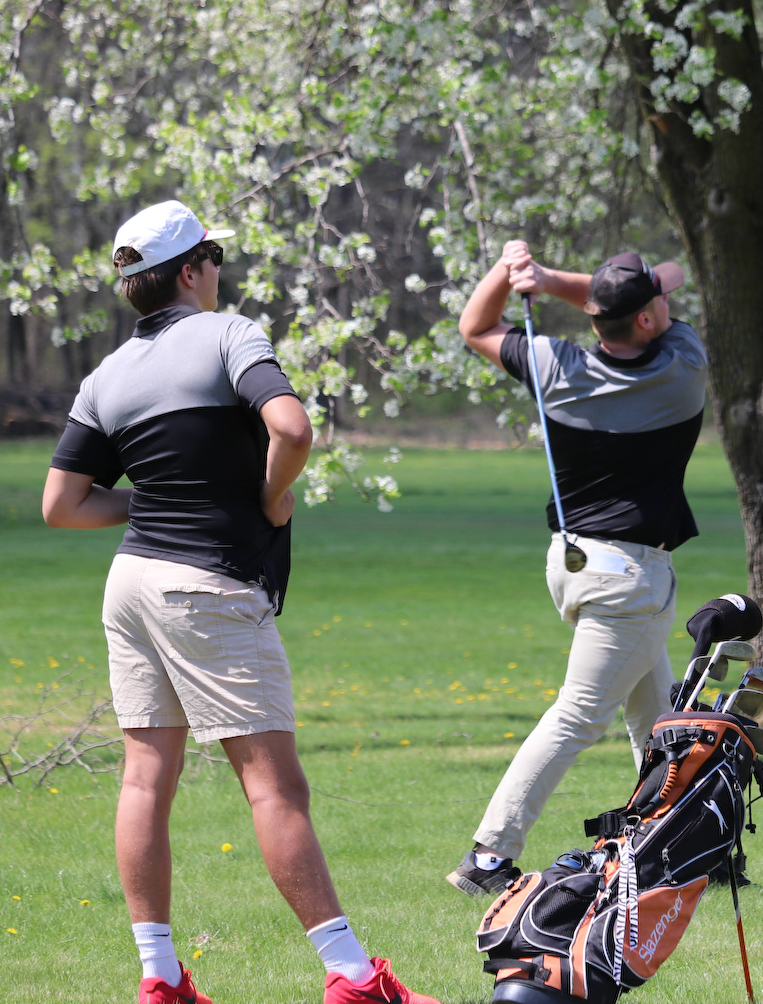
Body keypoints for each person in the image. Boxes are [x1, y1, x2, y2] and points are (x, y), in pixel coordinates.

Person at [42, 201, 438, 1004]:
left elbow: (61, 504)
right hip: (207, 584)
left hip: (131, 583)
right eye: (214, 256)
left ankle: (160, 978)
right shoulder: (229, 335)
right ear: (191, 270)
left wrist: (158, 498)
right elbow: (292, 428)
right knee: (274, 787)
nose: (218, 270)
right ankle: (353, 977)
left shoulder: (106, 375)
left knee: (144, 780)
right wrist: (267, 493)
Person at [447, 241, 705, 895]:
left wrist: (514, 273)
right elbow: (673, 273)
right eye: (656, 302)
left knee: (658, 715)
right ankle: (488, 855)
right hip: (630, 579)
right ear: (645, 319)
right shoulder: (682, 366)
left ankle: (677, 843)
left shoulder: (555, 366)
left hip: (574, 563)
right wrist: (559, 280)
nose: (667, 300)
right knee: (579, 716)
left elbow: (474, 326)